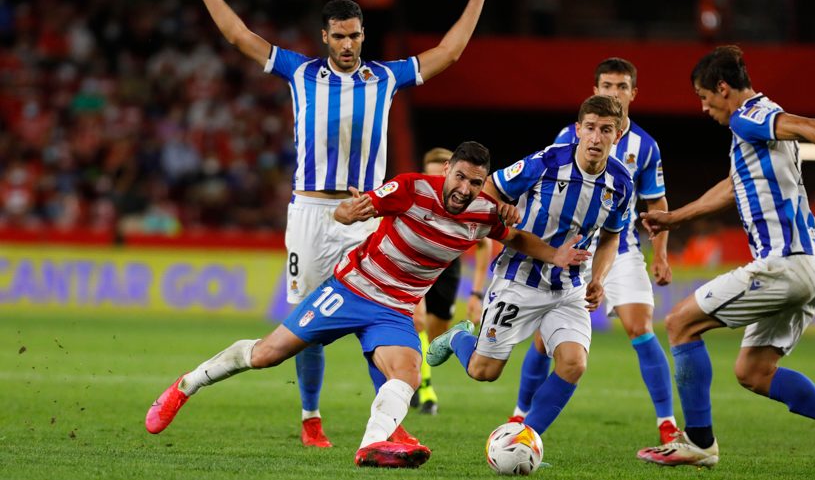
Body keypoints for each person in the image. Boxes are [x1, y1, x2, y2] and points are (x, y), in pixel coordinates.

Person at [183, 0, 488, 448]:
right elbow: (238, 35)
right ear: (325, 37)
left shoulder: (384, 78)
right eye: (340, 36)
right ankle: (310, 416)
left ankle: (392, 426)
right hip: (310, 212)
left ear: (364, 35)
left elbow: (449, 53)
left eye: (356, 36)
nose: (349, 45)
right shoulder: (300, 72)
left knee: (389, 314)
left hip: (367, 212)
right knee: (304, 323)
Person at [144, 141, 591, 468]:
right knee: (265, 355)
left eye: (475, 182)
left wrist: (557, 255)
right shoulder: (412, 188)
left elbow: (515, 237)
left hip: (395, 308)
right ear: (447, 172)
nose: (465, 188)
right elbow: (353, 209)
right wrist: (347, 212)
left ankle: (373, 444)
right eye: (459, 177)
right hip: (351, 290)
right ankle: (186, 385)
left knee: (409, 372)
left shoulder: (485, 214)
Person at [636, 46, 815, 480]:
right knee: (753, 372)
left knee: (680, 323)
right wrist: (674, 219)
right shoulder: (755, 129)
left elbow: (805, 125)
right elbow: (734, 186)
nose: (704, 107)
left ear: (723, 88)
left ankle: (699, 443)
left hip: (785, 263)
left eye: (704, 96)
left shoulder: (746, 115)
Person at [427, 95, 634, 440]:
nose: (597, 138)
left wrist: (598, 278)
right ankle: (460, 337)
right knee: (483, 371)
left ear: (618, 134)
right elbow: (492, 186)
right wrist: (502, 210)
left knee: (573, 363)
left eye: (607, 130)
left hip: (569, 286)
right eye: (592, 129)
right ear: (579, 130)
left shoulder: (622, 183)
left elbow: (612, 236)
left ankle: (524, 441)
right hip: (519, 278)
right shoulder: (548, 162)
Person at [510, 57, 678, 445]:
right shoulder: (569, 135)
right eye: (606, 86)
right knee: (544, 339)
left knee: (640, 327)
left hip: (620, 248)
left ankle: (667, 423)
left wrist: (662, 254)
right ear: (594, 91)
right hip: (568, 249)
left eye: (621, 87)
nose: (613, 93)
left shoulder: (646, 147)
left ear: (633, 93)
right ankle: (519, 414)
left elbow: (657, 204)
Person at [411, 147, 493, 415]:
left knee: (434, 340)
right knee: (417, 320)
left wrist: (477, 294)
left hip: (446, 270)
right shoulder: (414, 198)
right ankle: (424, 390)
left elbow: (484, 245)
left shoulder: (466, 205)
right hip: (412, 268)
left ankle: (420, 378)